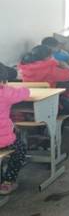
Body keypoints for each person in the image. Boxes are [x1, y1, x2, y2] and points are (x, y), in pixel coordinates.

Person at [0, 67, 30, 195]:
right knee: (21, 147)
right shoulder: (6, 92)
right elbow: (25, 92)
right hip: (3, 140)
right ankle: (8, 181)